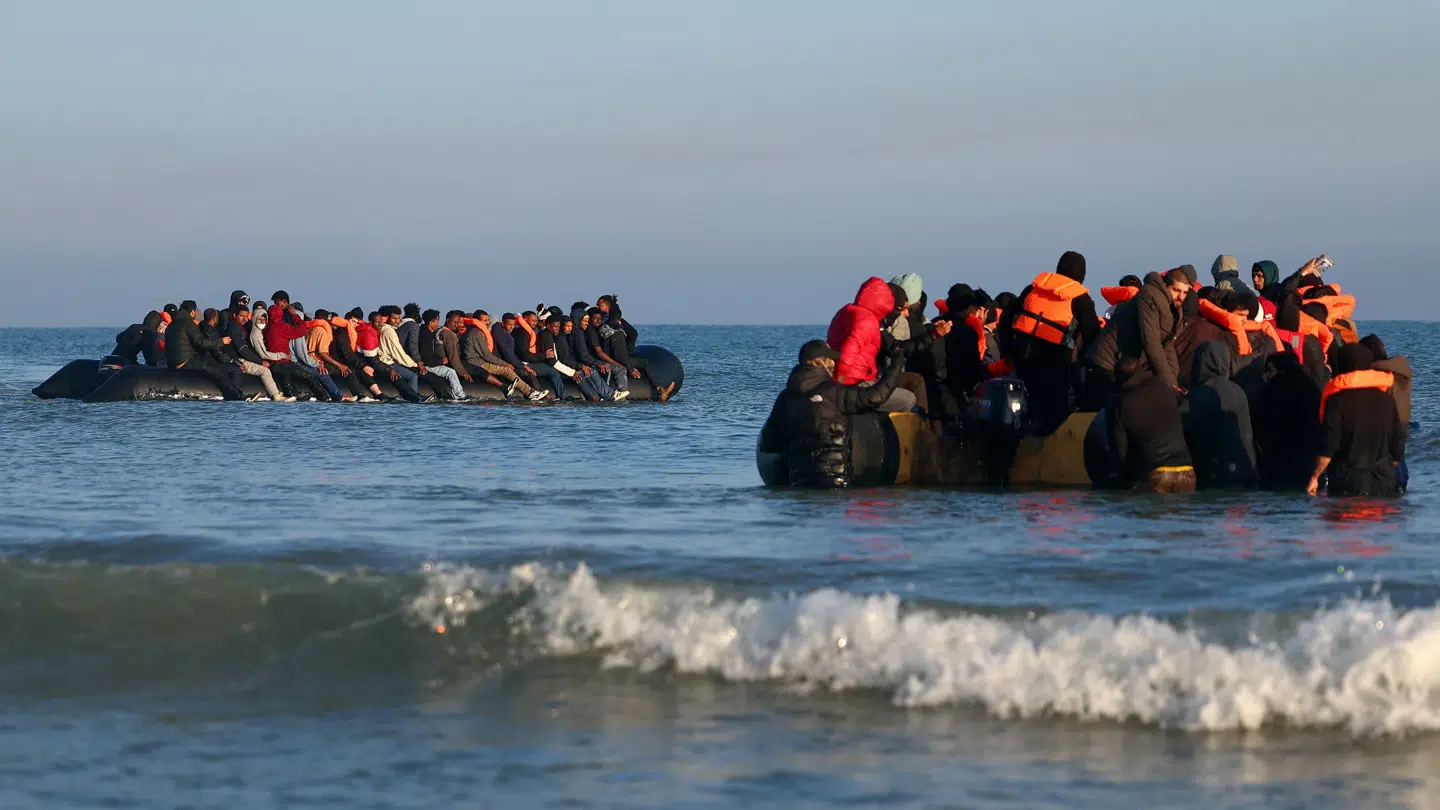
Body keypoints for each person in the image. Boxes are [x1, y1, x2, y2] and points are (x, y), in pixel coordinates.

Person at [756, 340, 904, 487]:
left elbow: (769, 444)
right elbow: (875, 397)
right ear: (822, 362)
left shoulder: (786, 398)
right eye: (831, 360)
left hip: (800, 484)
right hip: (834, 482)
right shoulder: (834, 392)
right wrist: (896, 367)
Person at [1005, 251, 1101, 433]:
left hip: (1021, 359)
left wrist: (1008, 350)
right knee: (1054, 416)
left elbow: (1007, 317)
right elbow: (1093, 334)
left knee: (1024, 409)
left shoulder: (1032, 289)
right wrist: (1085, 363)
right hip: (1053, 362)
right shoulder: (1080, 298)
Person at [1307, 344, 1405, 497]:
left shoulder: (1336, 401)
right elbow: (1398, 446)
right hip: (1383, 479)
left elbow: (1329, 446)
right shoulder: (1387, 400)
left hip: (1348, 480)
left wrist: (1314, 477)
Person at [827, 277, 913, 412]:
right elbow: (848, 354)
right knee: (908, 399)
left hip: (843, 378)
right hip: (855, 383)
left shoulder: (845, 311)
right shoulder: (868, 321)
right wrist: (839, 387)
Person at [1107, 359, 1194, 492]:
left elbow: (1120, 452)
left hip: (1154, 473)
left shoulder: (1119, 403)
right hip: (1187, 472)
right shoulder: (1165, 386)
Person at [1183, 341, 1257, 489]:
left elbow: (1182, 424)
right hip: (1244, 471)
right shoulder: (1238, 391)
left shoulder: (1201, 393)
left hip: (1214, 475)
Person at [1252, 351, 1322, 490]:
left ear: (1281, 369)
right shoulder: (1312, 386)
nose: (1265, 375)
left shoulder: (1274, 390)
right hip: (1308, 458)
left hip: (1280, 461)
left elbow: (1265, 425)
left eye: (1269, 370)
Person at [163, 301, 246, 400]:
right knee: (216, 370)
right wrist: (221, 341)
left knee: (207, 360)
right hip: (184, 361)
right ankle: (234, 395)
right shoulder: (188, 323)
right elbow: (201, 342)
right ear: (192, 312)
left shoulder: (172, 324)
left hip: (172, 363)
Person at [249, 303, 333, 401]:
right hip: (284, 362)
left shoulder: (266, 329)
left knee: (287, 381)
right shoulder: (282, 327)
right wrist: (294, 315)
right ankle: (325, 397)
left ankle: (293, 395)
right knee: (309, 376)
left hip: (274, 364)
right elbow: (302, 330)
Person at [206, 306, 289, 401]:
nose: (245, 319)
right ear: (234, 315)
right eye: (241, 316)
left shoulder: (239, 327)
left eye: (246, 316)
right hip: (238, 360)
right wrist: (260, 362)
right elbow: (242, 349)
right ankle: (275, 395)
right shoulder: (234, 328)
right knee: (264, 371)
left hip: (236, 359)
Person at [461, 311, 546, 401]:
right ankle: (529, 392)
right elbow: (487, 356)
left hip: (478, 361)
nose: (488, 322)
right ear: (477, 321)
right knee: (507, 370)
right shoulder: (476, 333)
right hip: (478, 363)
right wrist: (505, 364)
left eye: (488, 320)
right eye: (485, 320)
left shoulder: (471, 331)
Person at [357, 311, 424, 402]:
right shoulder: (369, 335)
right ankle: (414, 398)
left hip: (374, 363)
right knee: (396, 376)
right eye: (377, 322)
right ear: (371, 322)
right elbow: (373, 361)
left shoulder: (373, 331)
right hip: (371, 365)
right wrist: (389, 369)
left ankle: (411, 396)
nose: (380, 324)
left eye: (381, 321)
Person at [379, 308, 438, 402]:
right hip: (388, 362)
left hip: (387, 361)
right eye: (394, 318)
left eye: (398, 318)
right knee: (412, 376)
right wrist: (416, 364)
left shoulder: (387, 329)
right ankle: (415, 400)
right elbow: (398, 352)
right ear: (387, 318)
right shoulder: (389, 331)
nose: (397, 321)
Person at [492, 313, 553, 400]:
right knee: (529, 374)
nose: (511, 327)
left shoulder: (506, 332)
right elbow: (508, 356)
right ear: (503, 323)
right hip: (506, 363)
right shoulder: (502, 334)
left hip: (512, 361)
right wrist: (523, 366)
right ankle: (538, 396)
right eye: (509, 325)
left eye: (513, 325)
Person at [543, 316, 604, 401]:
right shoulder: (549, 337)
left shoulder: (557, 336)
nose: (558, 329)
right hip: (559, 369)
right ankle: (595, 397)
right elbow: (554, 361)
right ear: (548, 326)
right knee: (580, 375)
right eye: (555, 327)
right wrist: (573, 371)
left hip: (564, 366)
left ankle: (603, 395)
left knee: (589, 371)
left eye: (558, 327)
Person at [569, 312, 626, 401]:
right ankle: (615, 395)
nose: (587, 323)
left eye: (587, 321)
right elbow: (583, 356)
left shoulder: (581, 331)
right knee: (616, 369)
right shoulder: (578, 333)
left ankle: (616, 394)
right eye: (584, 321)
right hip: (581, 364)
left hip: (584, 362)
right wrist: (598, 364)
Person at [417, 309, 468, 400]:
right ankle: (460, 395)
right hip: (428, 366)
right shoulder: (426, 336)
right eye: (436, 321)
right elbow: (426, 356)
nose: (438, 324)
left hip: (431, 363)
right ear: (431, 322)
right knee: (450, 372)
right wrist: (440, 361)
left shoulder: (428, 333)